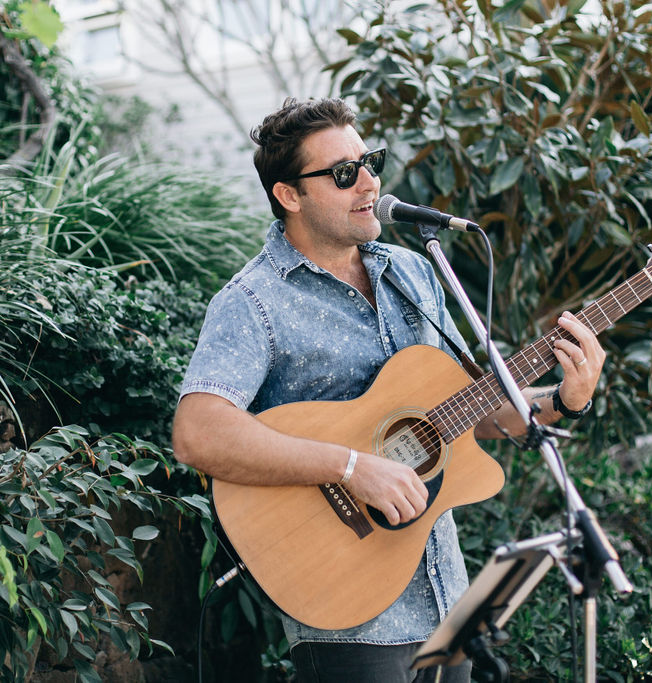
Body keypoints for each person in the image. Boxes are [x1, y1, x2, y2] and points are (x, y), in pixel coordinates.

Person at [171, 97, 605, 683]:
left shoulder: (414, 271)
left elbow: (471, 411)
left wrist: (565, 400)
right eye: (343, 173)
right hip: (346, 614)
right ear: (289, 195)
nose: (369, 183)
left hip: (448, 603)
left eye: (369, 162)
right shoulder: (253, 302)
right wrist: (351, 466)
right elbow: (198, 434)